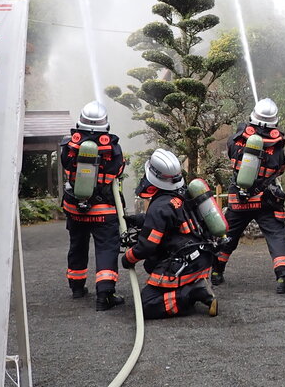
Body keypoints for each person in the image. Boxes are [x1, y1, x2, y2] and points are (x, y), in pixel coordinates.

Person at [213, 97, 285, 294]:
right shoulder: (278, 144)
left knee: (228, 236)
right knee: (277, 237)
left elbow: (230, 151)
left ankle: (216, 272)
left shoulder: (237, 140)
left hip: (239, 201)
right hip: (265, 201)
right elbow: (281, 168)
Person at [120, 149, 219, 318]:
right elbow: (172, 220)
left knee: (146, 305)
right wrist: (138, 220)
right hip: (202, 257)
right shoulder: (183, 193)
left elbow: (147, 246)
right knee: (151, 265)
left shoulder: (160, 206)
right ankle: (192, 287)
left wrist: (128, 258)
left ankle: (193, 292)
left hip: (186, 264)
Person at [60, 101, 126, 310]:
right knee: (106, 249)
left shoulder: (69, 145)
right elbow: (118, 170)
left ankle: (77, 288)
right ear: (105, 125)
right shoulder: (113, 148)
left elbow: (64, 165)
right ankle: (104, 296)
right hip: (103, 211)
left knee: (77, 247)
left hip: (75, 210)